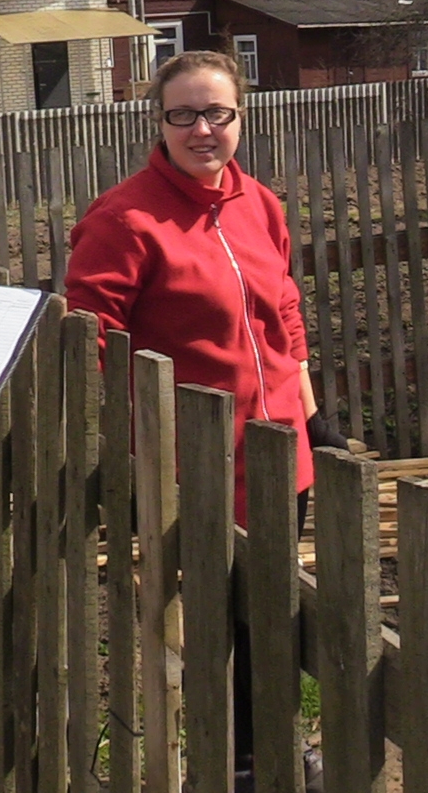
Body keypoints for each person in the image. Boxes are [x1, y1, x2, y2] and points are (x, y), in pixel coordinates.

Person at [64, 49, 334, 790]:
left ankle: (275, 744)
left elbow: (284, 315)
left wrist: (316, 421)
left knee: (272, 614)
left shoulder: (261, 205)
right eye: (183, 114)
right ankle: (238, 761)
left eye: (218, 113)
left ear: (241, 118)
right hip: (199, 468)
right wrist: (132, 447)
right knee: (222, 623)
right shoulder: (125, 219)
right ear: (159, 121)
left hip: (284, 458)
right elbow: (91, 342)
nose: (202, 129)